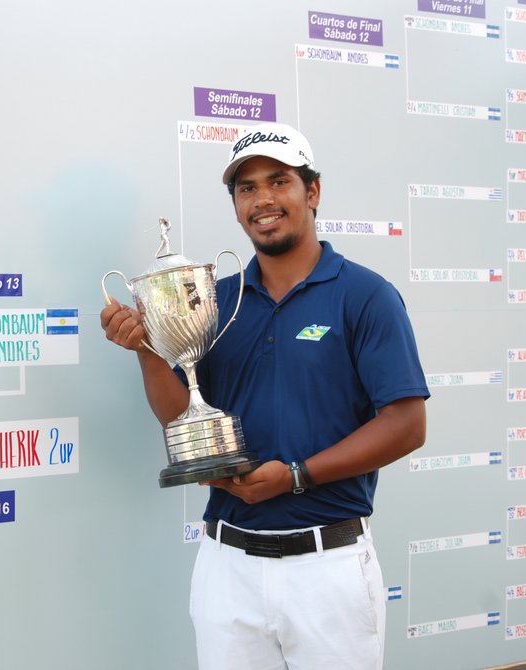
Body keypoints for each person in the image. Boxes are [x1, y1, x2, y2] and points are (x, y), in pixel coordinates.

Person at [100, 122, 429, 670]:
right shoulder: (211, 302)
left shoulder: (366, 295)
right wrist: (147, 350)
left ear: (312, 192)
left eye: (279, 182)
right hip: (227, 566)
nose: (263, 200)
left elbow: (406, 424)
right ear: (235, 206)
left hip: (328, 569)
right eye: (246, 188)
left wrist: (296, 475)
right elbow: (184, 418)